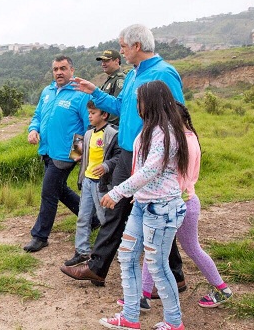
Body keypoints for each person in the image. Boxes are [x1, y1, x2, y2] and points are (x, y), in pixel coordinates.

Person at [60, 24, 186, 288]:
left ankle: (173, 274)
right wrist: (94, 91)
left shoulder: (164, 73)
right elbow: (119, 107)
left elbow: (178, 115)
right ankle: (99, 267)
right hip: (128, 152)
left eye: (123, 46)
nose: (121, 51)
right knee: (118, 208)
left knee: (153, 210)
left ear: (137, 46)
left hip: (150, 156)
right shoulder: (132, 75)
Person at [118, 102, 233, 311]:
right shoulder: (190, 138)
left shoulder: (182, 142)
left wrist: (154, 197)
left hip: (178, 202)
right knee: (156, 248)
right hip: (185, 201)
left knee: (177, 248)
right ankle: (143, 296)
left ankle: (221, 288)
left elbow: (178, 177)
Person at [99, 80, 189, 330]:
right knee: (127, 255)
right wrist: (134, 195)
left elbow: (150, 169)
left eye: (139, 101)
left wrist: (118, 192)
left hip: (160, 209)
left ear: (150, 102)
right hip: (143, 204)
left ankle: (174, 322)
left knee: (158, 266)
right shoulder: (151, 128)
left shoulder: (165, 132)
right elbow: (143, 168)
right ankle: (130, 316)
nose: (136, 106)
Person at [23, 55, 93, 252]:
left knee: (48, 192)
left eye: (63, 68)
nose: (59, 72)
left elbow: (88, 126)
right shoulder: (48, 91)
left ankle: (40, 236)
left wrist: (80, 153)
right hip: (46, 149)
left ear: (72, 70)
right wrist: (33, 130)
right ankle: (93, 219)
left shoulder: (80, 94)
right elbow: (37, 116)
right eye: (56, 69)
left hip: (65, 155)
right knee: (59, 189)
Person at [64, 101, 121, 266]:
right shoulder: (88, 132)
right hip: (88, 181)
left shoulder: (112, 133)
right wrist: (76, 154)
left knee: (105, 218)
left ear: (104, 115)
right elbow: (78, 150)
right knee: (83, 217)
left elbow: (119, 156)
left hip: (102, 184)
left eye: (93, 113)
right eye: (89, 112)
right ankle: (82, 251)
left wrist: (106, 166)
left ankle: (113, 250)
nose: (89, 116)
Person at [96, 49, 126, 125]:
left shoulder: (120, 79)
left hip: (113, 128)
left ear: (116, 61)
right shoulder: (110, 79)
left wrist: (107, 126)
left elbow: (117, 107)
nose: (103, 64)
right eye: (102, 61)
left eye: (106, 61)